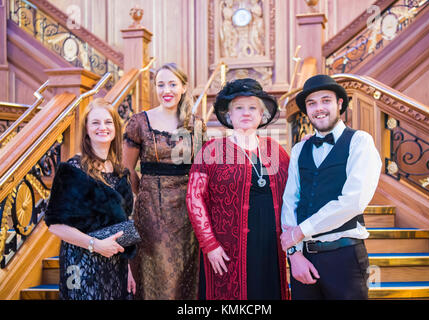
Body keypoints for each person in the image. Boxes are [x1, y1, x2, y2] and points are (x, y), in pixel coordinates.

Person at [186, 78, 290, 300]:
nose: (246, 113)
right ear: (229, 115)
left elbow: (294, 189)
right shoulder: (211, 150)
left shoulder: (276, 150)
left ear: (261, 115)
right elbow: (194, 199)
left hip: (271, 247)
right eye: (239, 108)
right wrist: (209, 245)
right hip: (226, 248)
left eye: (253, 107)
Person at [280, 74, 382, 300]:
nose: (319, 108)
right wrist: (294, 255)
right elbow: (289, 203)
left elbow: (353, 201)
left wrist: (300, 231)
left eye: (326, 100)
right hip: (303, 259)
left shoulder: (359, 141)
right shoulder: (299, 150)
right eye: (312, 103)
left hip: (344, 257)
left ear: (339, 104)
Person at [45, 98, 136, 300]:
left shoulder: (121, 172)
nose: (102, 127)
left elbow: (122, 224)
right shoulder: (72, 169)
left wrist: (128, 267)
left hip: (115, 265)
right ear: (86, 129)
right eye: (95, 122)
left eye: (108, 122)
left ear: (115, 128)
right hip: (80, 262)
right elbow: (55, 225)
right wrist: (95, 244)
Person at [123, 63, 199, 299]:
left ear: (184, 87)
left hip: (187, 216)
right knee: (158, 277)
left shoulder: (195, 124)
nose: (167, 90)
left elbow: (200, 171)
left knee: (186, 278)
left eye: (173, 84)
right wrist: (144, 195)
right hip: (152, 213)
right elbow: (127, 170)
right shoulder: (139, 122)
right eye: (161, 84)